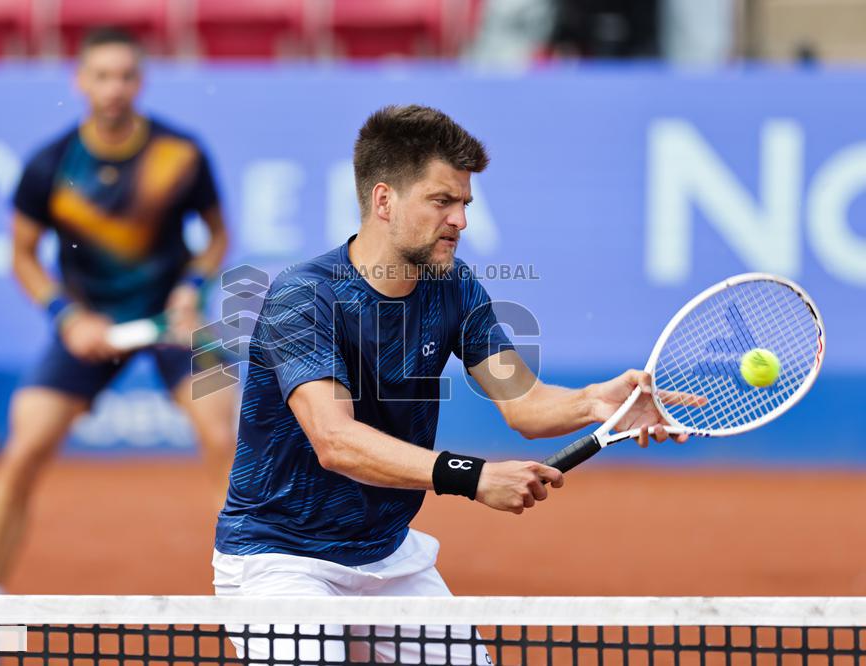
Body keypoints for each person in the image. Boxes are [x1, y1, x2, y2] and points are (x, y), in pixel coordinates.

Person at [212, 105, 687, 663]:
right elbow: (335, 441)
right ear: (384, 200)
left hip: (387, 557)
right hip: (280, 559)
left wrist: (599, 403)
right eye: (442, 201)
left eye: (463, 203)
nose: (461, 220)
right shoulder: (304, 297)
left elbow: (526, 403)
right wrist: (471, 476)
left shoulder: (453, 286)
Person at [0, 27, 236, 595]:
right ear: (80, 81)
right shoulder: (50, 164)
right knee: (24, 451)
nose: (114, 88)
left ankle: (250, 595)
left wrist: (192, 287)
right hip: (87, 324)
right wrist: (67, 316)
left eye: (126, 76)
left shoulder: (180, 153)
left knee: (225, 433)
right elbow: (21, 256)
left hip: (173, 320)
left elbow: (216, 237)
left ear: (141, 81)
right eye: (102, 76)